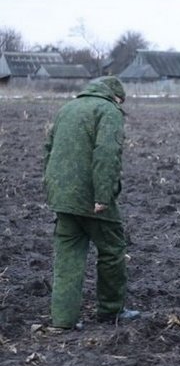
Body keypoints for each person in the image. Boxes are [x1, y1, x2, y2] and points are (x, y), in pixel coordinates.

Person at [43, 76, 140, 329]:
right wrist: (103, 196)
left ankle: (62, 321)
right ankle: (111, 311)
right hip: (90, 198)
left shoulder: (67, 108)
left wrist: (53, 190)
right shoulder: (108, 111)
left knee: (68, 255)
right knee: (112, 250)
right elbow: (106, 155)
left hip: (62, 197)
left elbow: (48, 149)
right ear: (116, 97)